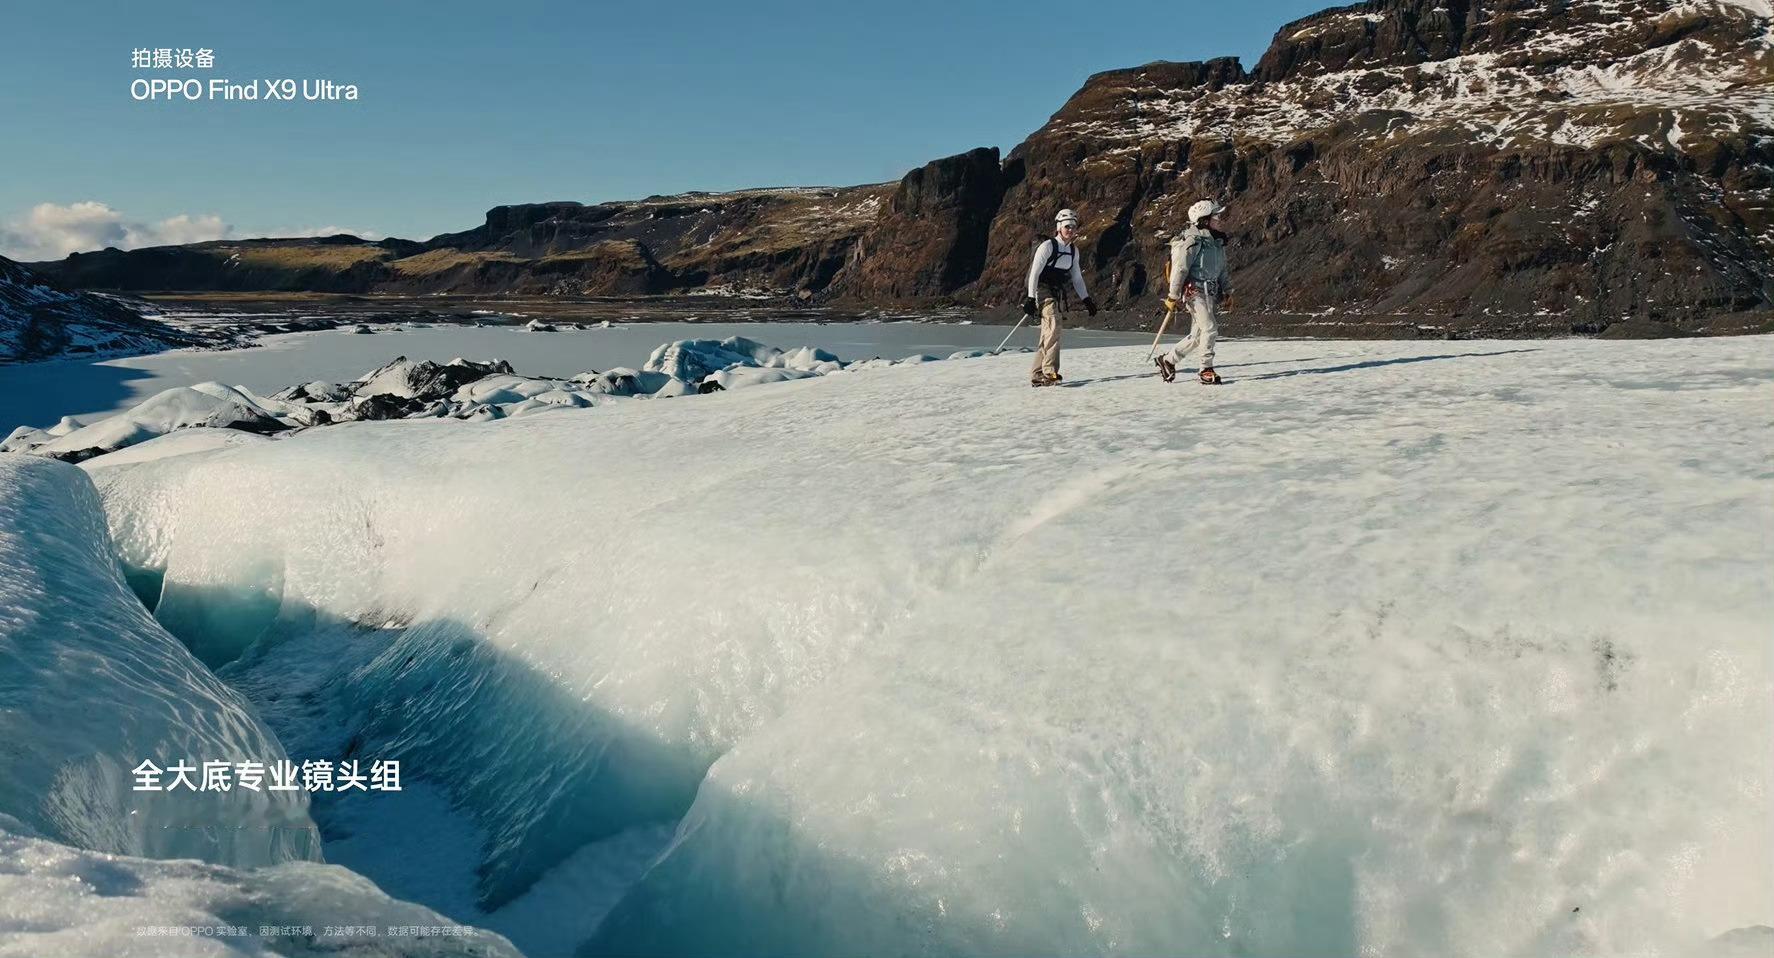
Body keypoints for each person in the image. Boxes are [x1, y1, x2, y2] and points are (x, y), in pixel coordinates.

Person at [1155, 200, 1232, 385]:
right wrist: (1173, 296)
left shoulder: (1216, 242)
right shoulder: (1193, 241)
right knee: (1210, 328)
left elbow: (1222, 269)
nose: (1220, 219)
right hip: (1194, 292)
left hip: (1209, 293)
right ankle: (1206, 369)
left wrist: (1228, 291)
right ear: (1204, 220)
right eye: (1216, 216)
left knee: (1197, 336)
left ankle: (1168, 360)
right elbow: (1181, 268)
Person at [1022, 208, 1098, 387]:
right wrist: (1031, 298)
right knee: (1054, 326)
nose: (1070, 230)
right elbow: (1034, 274)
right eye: (1067, 226)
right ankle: (1050, 372)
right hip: (1042, 291)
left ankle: (1037, 374)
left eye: (1073, 226)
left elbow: (1077, 278)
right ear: (1059, 227)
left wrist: (1086, 299)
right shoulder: (1047, 246)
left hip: (1056, 293)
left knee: (1048, 332)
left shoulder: (1073, 251)